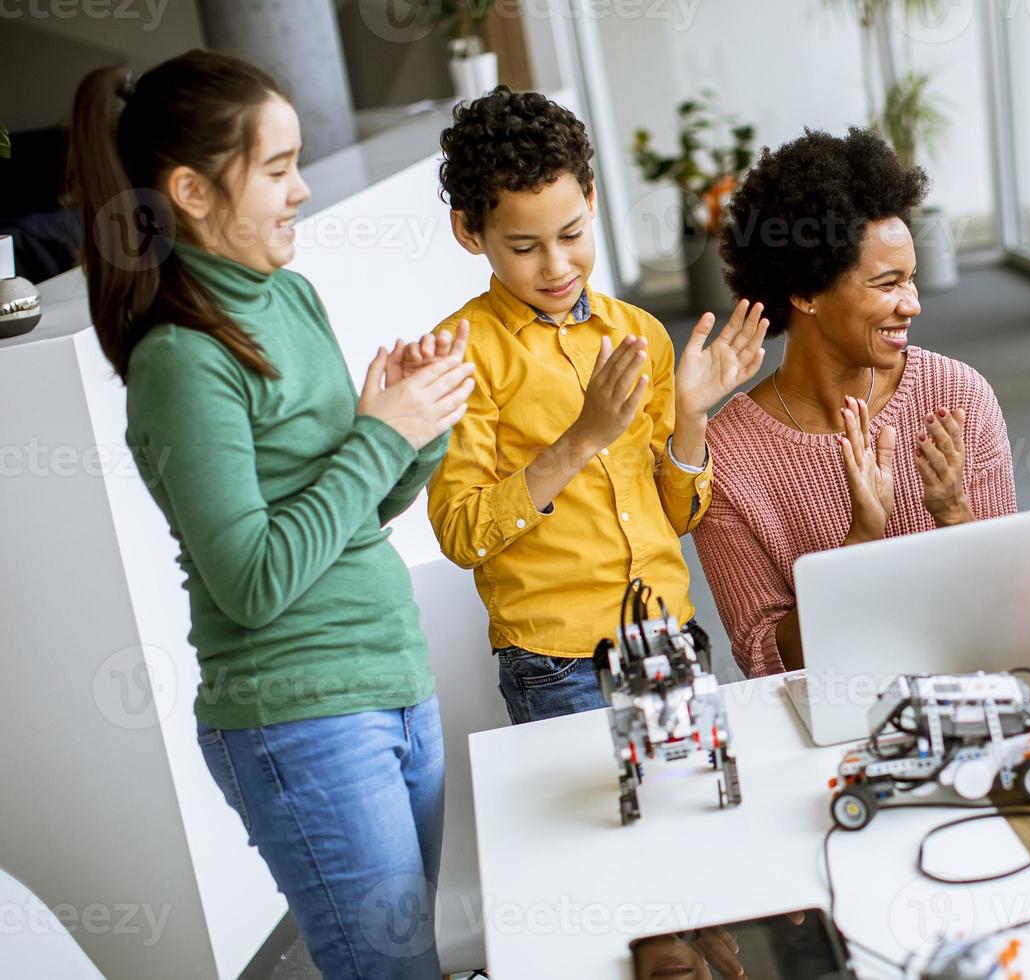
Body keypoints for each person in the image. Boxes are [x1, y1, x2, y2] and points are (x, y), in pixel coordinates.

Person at [74, 51, 471, 977]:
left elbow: (359, 510)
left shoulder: (290, 297)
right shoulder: (180, 360)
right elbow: (253, 582)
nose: (301, 189)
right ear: (194, 191)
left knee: (419, 962)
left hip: (393, 681)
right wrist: (381, 432)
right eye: (279, 167)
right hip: (301, 717)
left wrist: (418, 425)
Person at [425, 88, 765, 723]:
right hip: (559, 665)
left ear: (592, 198)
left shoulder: (641, 335)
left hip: (669, 635)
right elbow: (461, 533)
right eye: (524, 247)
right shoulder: (460, 357)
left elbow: (678, 516)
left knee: (701, 807)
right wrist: (581, 439)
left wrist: (692, 418)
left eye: (573, 234)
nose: (557, 265)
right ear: (471, 232)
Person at [692, 128, 1017, 677]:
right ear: (805, 293)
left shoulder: (956, 395)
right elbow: (767, 662)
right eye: (887, 283)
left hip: (973, 682)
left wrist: (953, 513)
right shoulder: (727, 460)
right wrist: (859, 540)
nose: (912, 304)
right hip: (838, 715)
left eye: (911, 279)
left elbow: (1015, 603)